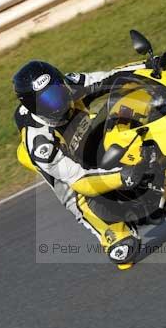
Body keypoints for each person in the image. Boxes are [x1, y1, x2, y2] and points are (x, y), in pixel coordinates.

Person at [13, 60, 148, 268]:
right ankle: (108, 232)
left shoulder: (70, 84)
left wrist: (151, 65)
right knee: (124, 251)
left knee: (129, 104)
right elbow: (80, 180)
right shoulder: (40, 142)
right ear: (33, 107)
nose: (58, 102)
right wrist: (124, 176)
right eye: (48, 100)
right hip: (75, 182)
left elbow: (110, 77)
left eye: (57, 91)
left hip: (91, 141)